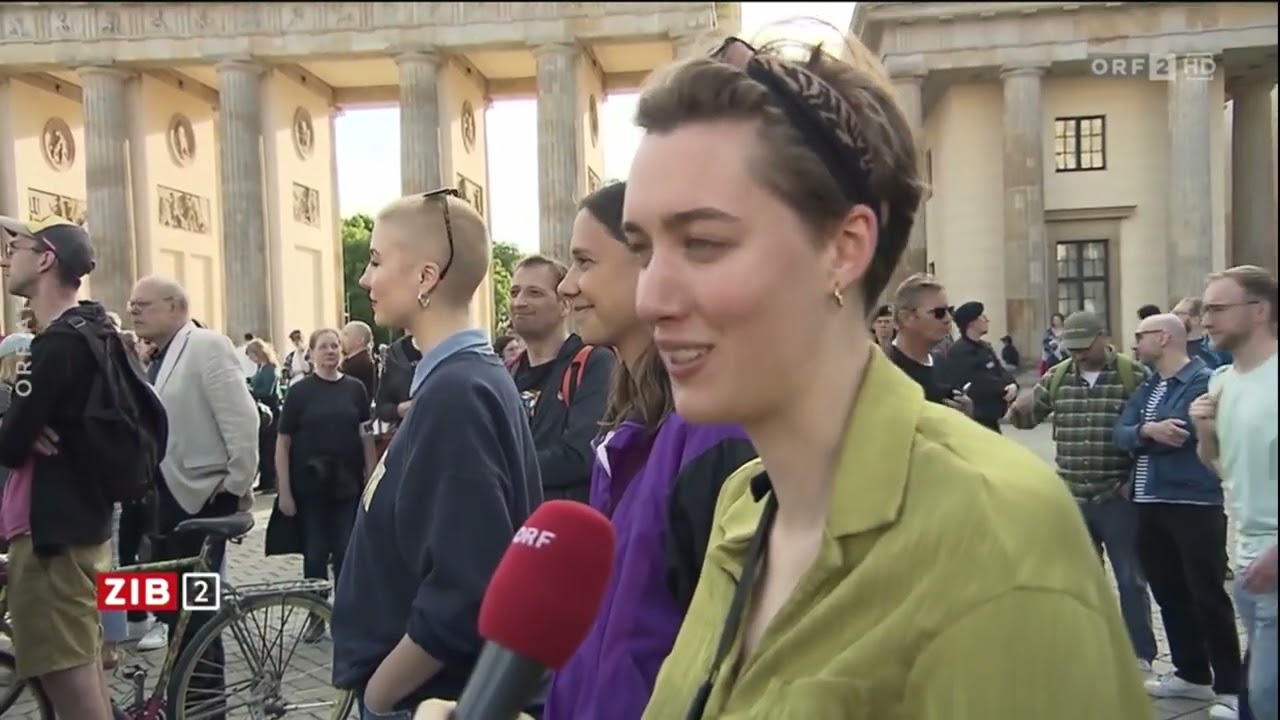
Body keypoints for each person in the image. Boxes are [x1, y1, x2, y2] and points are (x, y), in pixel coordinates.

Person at [612, 36, 1146, 718]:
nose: (650, 298)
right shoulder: (743, 507)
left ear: (844, 248)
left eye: (704, 243)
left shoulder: (995, 539)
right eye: (641, 249)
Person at [331, 191, 542, 719]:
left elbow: (465, 588)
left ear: (426, 277)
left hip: (424, 698)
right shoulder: (463, 382)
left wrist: (380, 696)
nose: (365, 279)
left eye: (377, 261)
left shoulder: (457, 394)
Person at [0, 214, 117, 719]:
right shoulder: (93, 330)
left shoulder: (58, 343)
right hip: (75, 527)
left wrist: (16, 424)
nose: (7, 258)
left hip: (50, 537)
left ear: (45, 260)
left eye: (18, 249)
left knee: (72, 690)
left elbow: (10, 444)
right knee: (76, 672)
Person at [129, 275, 259, 716]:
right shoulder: (156, 356)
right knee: (162, 603)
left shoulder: (206, 345)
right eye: (131, 304)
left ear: (175, 305)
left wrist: (234, 489)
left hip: (199, 500)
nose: (133, 310)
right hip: (159, 500)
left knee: (196, 611)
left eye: (143, 303)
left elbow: (242, 421)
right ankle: (181, 693)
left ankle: (204, 706)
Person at [1009, 310, 1158, 673]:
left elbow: (1148, 434)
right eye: (1070, 347)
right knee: (1078, 580)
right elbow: (1026, 420)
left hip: (1117, 496)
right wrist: (1016, 405)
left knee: (1130, 580)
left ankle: (1141, 654)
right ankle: (1088, 648)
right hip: (1073, 495)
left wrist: (1132, 481)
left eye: (1082, 346)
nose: (1076, 354)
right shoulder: (1057, 377)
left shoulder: (1133, 375)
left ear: (1103, 337)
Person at [1117, 313, 1240, 711]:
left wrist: (1146, 433)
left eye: (1141, 336)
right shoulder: (1150, 384)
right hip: (1149, 500)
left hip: (1193, 501)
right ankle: (1192, 674)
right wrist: (1146, 432)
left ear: (1165, 338)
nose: (1134, 343)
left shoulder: (1203, 382)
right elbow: (1122, 432)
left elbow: (1184, 436)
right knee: (1168, 591)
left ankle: (1231, 687)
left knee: (1206, 593)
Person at [1193, 265, 1278, 720]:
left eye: (1218, 309)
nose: (1206, 320)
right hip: (1248, 562)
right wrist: (1203, 428)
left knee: (1266, 699)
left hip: (1274, 559)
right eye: (1206, 309)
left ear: (1259, 310)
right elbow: (1218, 466)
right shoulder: (1221, 382)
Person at [275, 327, 376, 643]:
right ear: (313, 353)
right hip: (310, 486)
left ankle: (345, 616)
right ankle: (316, 615)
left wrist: (372, 476)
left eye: (335, 346)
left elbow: (366, 436)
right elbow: (283, 442)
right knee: (315, 553)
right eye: (324, 347)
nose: (330, 351)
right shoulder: (299, 392)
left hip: (347, 484)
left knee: (347, 550)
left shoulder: (356, 389)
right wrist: (284, 491)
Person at [508, 254, 615, 503]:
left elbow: (580, 455)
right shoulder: (506, 373)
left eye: (534, 293)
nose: (519, 302)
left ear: (564, 305)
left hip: (565, 527)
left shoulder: (594, 362)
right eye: (514, 292)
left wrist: (500, 467)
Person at [942, 300, 1017, 432]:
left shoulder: (985, 347)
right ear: (972, 323)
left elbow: (1000, 370)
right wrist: (1004, 389)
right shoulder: (960, 351)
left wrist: (1012, 385)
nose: (987, 320)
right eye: (982, 317)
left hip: (991, 419)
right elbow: (979, 381)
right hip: (975, 419)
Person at [246, 338, 281, 493]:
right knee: (262, 446)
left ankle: (271, 480)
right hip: (262, 409)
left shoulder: (271, 368)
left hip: (271, 410)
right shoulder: (261, 368)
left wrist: (249, 391)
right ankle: (265, 479)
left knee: (269, 447)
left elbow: (267, 390)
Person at [340, 320, 378, 400]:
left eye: (346, 334)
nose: (340, 338)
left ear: (359, 340)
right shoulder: (358, 361)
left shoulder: (359, 365)